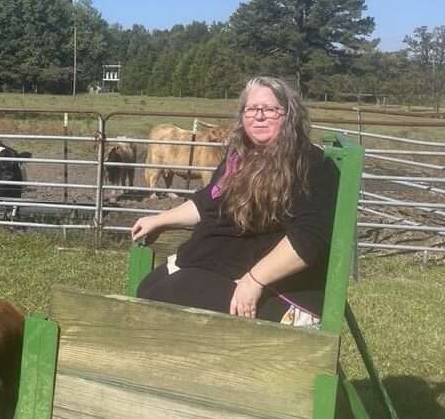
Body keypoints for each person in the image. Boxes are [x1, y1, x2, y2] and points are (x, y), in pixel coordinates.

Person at [131, 76, 339, 325]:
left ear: (289, 115)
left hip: (279, 287)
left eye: (270, 109)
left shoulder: (311, 165)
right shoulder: (240, 156)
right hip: (232, 267)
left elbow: (308, 240)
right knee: (149, 287)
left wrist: (254, 280)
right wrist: (160, 220)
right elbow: (208, 202)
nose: (259, 116)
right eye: (251, 109)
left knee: (167, 293)